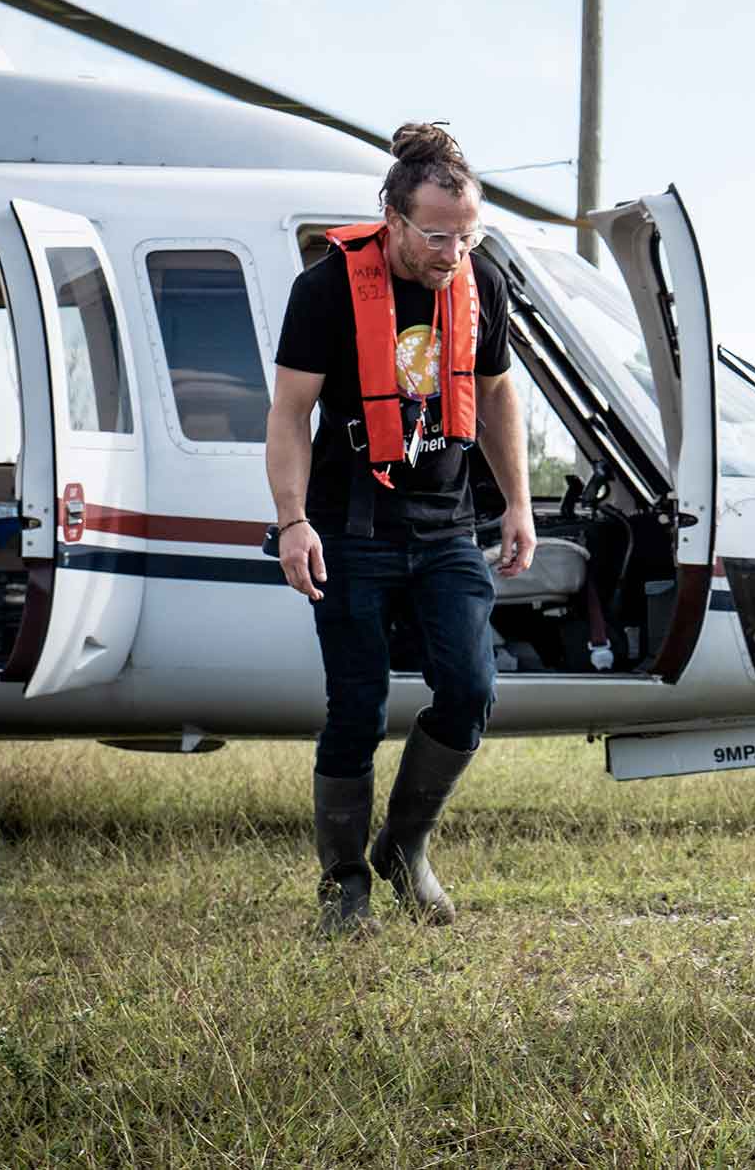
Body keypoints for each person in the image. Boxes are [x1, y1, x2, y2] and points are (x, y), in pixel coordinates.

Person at [266, 122, 537, 936]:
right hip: (351, 526)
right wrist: (292, 521)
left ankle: (402, 847)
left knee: (470, 688)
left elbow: (494, 395)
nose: (453, 252)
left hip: (447, 523)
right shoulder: (325, 288)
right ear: (390, 215)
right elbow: (288, 413)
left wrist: (518, 502)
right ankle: (344, 882)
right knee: (357, 705)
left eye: (468, 234)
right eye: (436, 235)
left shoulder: (478, 283)